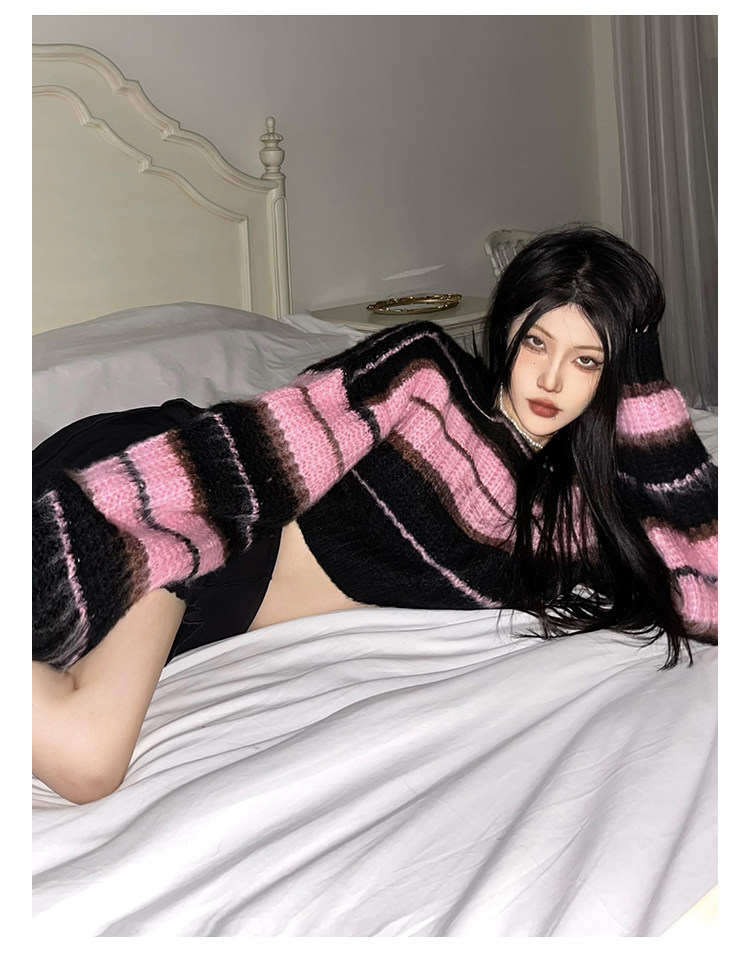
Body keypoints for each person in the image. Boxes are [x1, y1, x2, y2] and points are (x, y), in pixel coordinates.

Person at [32, 225, 718, 803]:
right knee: (88, 762)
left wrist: (643, 380)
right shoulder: (425, 375)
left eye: (587, 360)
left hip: (216, 611)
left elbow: (709, 599)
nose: (550, 379)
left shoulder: (578, 513)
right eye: (536, 341)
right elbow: (261, 446)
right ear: (507, 324)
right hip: (190, 501)